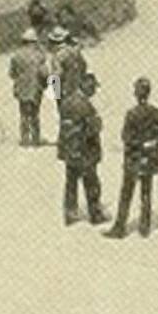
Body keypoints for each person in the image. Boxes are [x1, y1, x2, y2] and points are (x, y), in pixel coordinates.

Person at [105, 76, 158, 239]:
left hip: (134, 159)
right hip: (150, 159)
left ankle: (120, 227)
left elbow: (126, 137)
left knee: (126, 193)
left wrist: (138, 145)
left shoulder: (132, 114)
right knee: (146, 192)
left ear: (136, 93)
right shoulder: (156, 113)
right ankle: (144, 227)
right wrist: (152, 145)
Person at [57, 71, 106, 225]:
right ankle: (95, 214)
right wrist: (98, 122)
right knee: (91, 183)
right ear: (85, 86)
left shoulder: (67, 101)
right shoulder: (85, 105)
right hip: (85, 150)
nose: (94, 91)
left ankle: (70, 214)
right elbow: (92, 128)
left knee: (71, 182)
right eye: (92, 88)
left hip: (69, 149)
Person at [9, 27, 49, 148]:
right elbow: (44, 73)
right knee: (35, 114)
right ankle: (36, 139)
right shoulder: (39, 56)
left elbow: (12, 74)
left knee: (23, 114)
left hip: (21, 88)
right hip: (36, 87)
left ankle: (25, 139)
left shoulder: (16, 56)